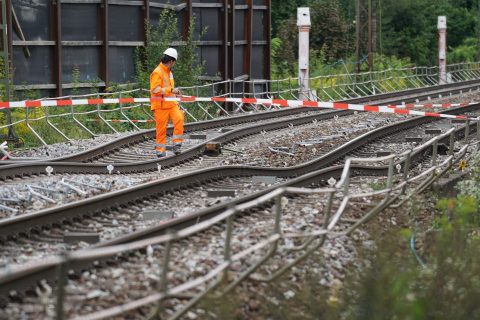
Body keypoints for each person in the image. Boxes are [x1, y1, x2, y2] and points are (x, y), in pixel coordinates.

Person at [150, 48, 184, 157]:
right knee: (161, 128)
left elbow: (170, 88)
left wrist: (175, 93)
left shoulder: (169, 72)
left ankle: (177, 145)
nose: (173, 64)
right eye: (174, 62)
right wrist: (170, 90)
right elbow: (155, 90)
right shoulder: (157, 72)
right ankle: (160, 150)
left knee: (179, 118)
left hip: (171, 103)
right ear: (171, 61)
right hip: (160, 105)